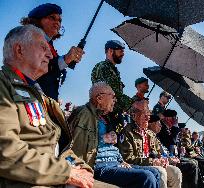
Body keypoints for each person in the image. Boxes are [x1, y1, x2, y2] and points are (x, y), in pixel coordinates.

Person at [0, 25, 94, 188]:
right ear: (19, 50)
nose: (50, 54)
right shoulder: (3, 85)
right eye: (43, 47)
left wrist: (79, 166)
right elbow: (6, 152)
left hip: (54, 174)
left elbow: (57, 144)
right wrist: (66, 172)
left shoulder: (39, 94)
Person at [68, 82, 160, 188]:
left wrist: (121, 160)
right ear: (99, 98)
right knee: (146, 177)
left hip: (114, 162)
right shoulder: (84, 113)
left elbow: (111, 147)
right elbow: (75, 146)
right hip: (99, 166)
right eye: (113, 97)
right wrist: (102, 139)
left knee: (155, 172)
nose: (115, 100)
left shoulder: (105, 118)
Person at [20, 3, 84, 101]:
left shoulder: (50, 46)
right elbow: (38, 69)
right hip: (28, 100)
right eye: (52, 17)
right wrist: (65, 59)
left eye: (59, 20)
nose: (57, 23)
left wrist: (66, 61)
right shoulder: (31, 38)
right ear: (38, 20)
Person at [118, 101, 182, 188]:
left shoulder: (150, 134)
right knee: (160, 172)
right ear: (134, 115)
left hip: (151, 164)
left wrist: (163, 159)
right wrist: (152, 162)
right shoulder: (127, 131)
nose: (148, 117)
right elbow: (128, 158)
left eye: (148, 113)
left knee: (175, 171)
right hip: (136, 166)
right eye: (144, 113)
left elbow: (159, 152)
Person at [91, 40, 133, 133]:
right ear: (110, 51)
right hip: (104, 116)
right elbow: (109, 93)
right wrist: (132, 104)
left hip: (113, 116)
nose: (123, 54)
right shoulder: (103, 67)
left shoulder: (114, 70)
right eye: (120, 51)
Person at [149, 115, 199, 188]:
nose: (160, 125)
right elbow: (157, 153)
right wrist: (169, 159)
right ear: (151, 124)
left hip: (170, 157)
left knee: (194, 163)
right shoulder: (155, 134)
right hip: (161, 161)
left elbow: (164, 151)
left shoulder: (156, 136)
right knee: (191, 165)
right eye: (158, 123)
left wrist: (171, 157)